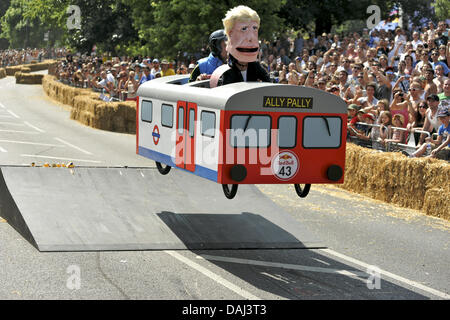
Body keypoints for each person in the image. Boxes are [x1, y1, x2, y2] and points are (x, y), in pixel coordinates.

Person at [212, 5, 270, 87]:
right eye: (243, 29)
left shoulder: (256, 66)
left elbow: (269, 83)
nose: (250, 38)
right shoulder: (227, 71)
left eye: (254, 28)